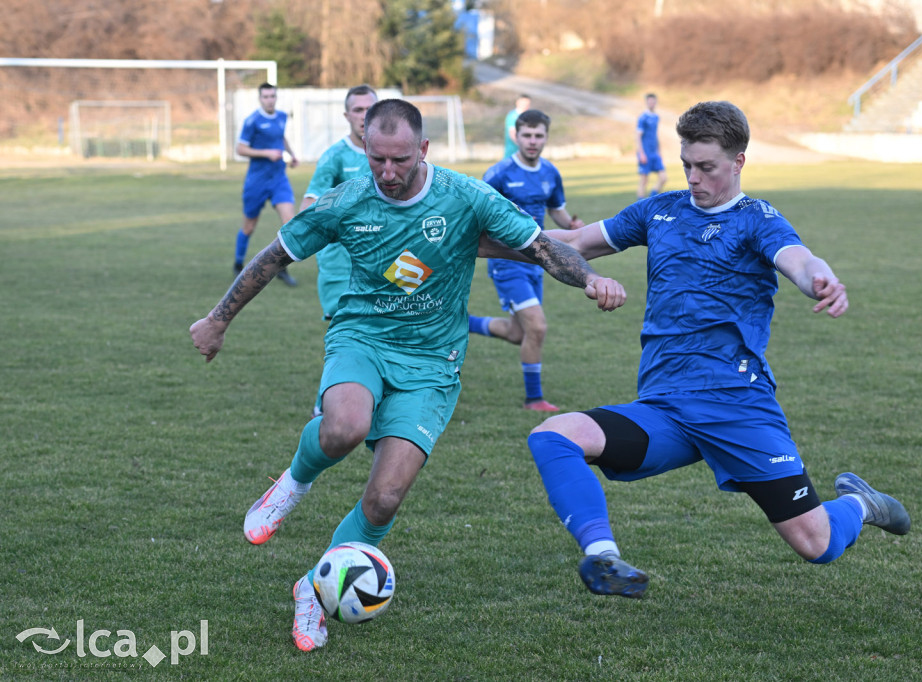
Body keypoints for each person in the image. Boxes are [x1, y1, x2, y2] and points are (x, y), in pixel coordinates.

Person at [189, 99, 627, 651]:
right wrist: (217, 319)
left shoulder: (466, 197)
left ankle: (313, 589)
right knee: (345, 426)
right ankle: (293, 483)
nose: (388, 173)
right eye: (377, 160)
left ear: (423, 150)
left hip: (432, 365)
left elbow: (539, 246)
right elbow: (274, 257)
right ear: (365, 150)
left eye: (399, 160)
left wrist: (589, 278)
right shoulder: (346, 199)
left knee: (384, 499)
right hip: (362, 338)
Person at [525, 100, 910, 599]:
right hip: (665, 409)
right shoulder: (658, 210)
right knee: (553, 436)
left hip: (736, 407)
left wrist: (822, 278)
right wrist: (483, 238)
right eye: (687, 164)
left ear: (739, 161)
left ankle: (861, 505)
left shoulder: (757, 220)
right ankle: (604, 557)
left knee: (816, 545)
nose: (693, 178)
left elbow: (797, 258)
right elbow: (574, 239)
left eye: (706, 167)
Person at [469, 109, 585, 412]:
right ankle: (534, 399)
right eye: (527, 135)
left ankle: (462, 322)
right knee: (537, 328)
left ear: (546, 137)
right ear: (515, 136)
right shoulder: (498, 173)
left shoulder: (550, 172)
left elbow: (557, 210)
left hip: (539, 260)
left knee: (517, 333)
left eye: (538, 136)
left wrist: (572, 225)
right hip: (507, 262)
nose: (533, 141)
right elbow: (477, 217)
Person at [298, 84, 378, 320]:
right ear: (347, 115)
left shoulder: (392, 153)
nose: (364, 115)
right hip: (342, 262)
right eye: (358, 109)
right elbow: (310, 204)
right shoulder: (334, 156)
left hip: (387, 253)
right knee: (347, 331)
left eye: (370, 109)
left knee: (405, 318)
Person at [233, 82, 300, 287]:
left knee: (290, 222)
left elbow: (281, 138)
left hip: (279, 178)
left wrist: (292, 154)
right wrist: (266, 153)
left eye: (272, 96)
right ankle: (238, 264)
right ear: (260, 99)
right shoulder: (252, 121)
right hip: (257, 181)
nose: (270, 100)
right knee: (249, 226)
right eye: (266, 97)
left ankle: (281, 267)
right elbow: (240, 149)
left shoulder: (281, 117)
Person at [636, 92, 667, 199]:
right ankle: (639, 204)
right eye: (649, 101)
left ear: (656, 102)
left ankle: (651, 198)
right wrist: (641, 153)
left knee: (663, 178)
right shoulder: (643, 118)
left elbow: (655, 135)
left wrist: (659, 151)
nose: (652, 103)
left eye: (653, 101)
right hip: (645, 152)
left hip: (655, 153)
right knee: (644, 180)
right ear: (646, 102)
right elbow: (638, 136)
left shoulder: (656, 117)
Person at [503, 93, 531, 158]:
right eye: (524, 104)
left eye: (528, 104)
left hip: (524, 156)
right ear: (517, 103)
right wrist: (525, 147)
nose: (526, 106)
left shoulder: (528, 116)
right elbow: (513, 134)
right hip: (512, 154)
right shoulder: (513, 116)